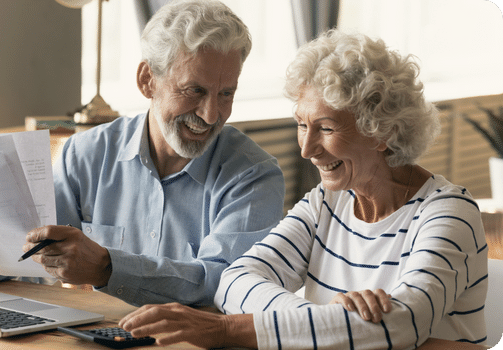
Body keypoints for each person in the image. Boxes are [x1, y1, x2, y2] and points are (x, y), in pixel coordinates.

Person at [118, 29, 489, 349]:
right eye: (301, 124)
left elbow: (402, 325)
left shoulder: (448, 212)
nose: (306, 149)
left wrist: (227, 328)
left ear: (383, 132)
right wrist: (331, 321)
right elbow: (234, 282)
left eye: (326, 129)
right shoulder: (326, 203)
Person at [0, 0, 285, 307]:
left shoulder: (254, 176)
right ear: (147, 81)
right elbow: (31, 259)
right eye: (194, 90)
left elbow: (223, 283)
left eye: (226, 93)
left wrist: (107, 267)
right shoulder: (86, 154)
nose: (211, 115)